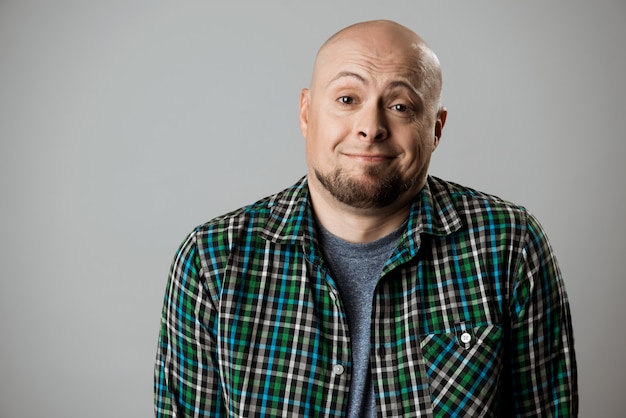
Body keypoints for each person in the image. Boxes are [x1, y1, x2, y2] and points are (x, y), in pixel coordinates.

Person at [154, 20, 578, 417]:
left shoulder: (508, 245)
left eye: (399, 105)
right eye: (346, 99)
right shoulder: (213, 261)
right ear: (306, 112)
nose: (370, 127)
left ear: (436, 128)